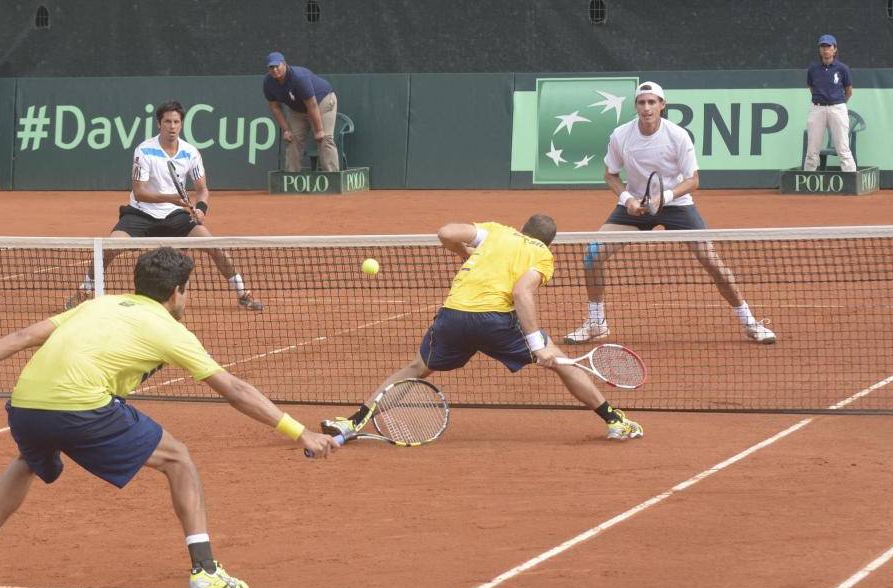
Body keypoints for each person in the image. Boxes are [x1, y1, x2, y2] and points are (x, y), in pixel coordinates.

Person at [0, 246, 339, 588]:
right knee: (178, 459)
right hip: (81, 407)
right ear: (177, 292)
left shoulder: (96, 304)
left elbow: (23, 337)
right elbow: (234, 389)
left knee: (28, 461)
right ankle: (206, 572)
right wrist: (299, 431)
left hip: (25, 406)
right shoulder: (169, 329)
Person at [322, 215, 645, 442]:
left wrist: (465, 254)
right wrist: (538, 346)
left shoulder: (496, 232)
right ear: (549, 242)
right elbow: (521, 292)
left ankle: (354, 422)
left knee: (417, 367)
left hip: (454, 316)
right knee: (560, 361)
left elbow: (446, 232)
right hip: (496, 322)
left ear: (522, 228)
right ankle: (614, 420)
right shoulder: (543, 255)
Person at [562, 82, 777, 346]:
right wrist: (627, 199)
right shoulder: (621, 135)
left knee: (711, 261)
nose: (647, 108)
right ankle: (596, 323)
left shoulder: (678, 135)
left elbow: (693, 180)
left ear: (662, 105)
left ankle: (749, 322)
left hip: (677, 204)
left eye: (652, 102)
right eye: (642, 103)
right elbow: (610, 174)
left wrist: (664, 197)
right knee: (593, 255)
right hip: (636, 206)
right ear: (636, 107)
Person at [65, 100, 265, 312]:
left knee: (215, 247)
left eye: (176, 122)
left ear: (182, 124)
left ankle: (243, 293)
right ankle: (85, 290)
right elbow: (140, 191)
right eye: (167, 121)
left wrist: (200, 209)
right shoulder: (144, 151)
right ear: (159, 124)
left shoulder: (190, 153)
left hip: (175, 216)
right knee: (108, 249)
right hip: (140, 213)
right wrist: (171, 198)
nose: (172, 126)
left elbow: (202, 189)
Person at [262, 52, 339, 172]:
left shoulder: (299, 77)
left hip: (322, 101)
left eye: (277, 66)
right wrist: (286, 130)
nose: (275, 69)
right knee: (291, 139)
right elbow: (275, 107)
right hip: (297, 109)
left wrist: (318, 130)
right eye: (271, 67)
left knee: (325, 139)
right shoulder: (268, 83)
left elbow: (312, 105)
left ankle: (332, 177)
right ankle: (291, 179)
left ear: (285, 64)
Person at [803, 34, 856, 172]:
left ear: (834, 49)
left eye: (828, 46)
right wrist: (821, 100)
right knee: (812, 149)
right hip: (817, 108)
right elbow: (811, 87)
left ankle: (851, 181)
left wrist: (837, 102)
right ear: (820, 50)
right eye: (823, 46)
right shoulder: (813, 68)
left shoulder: (842, 68)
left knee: (843, 148)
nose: (825, 49)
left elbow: (848, 91)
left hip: (837, 108)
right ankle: (807, 183)